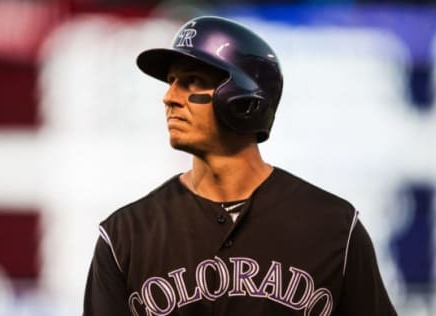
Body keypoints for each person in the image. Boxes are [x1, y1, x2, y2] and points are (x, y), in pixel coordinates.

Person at [83, 16, 397, 316]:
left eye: (192, 82)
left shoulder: (335, 229)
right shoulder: (125, 235)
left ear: (244, 98)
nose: (169, 97)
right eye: (171, 81)